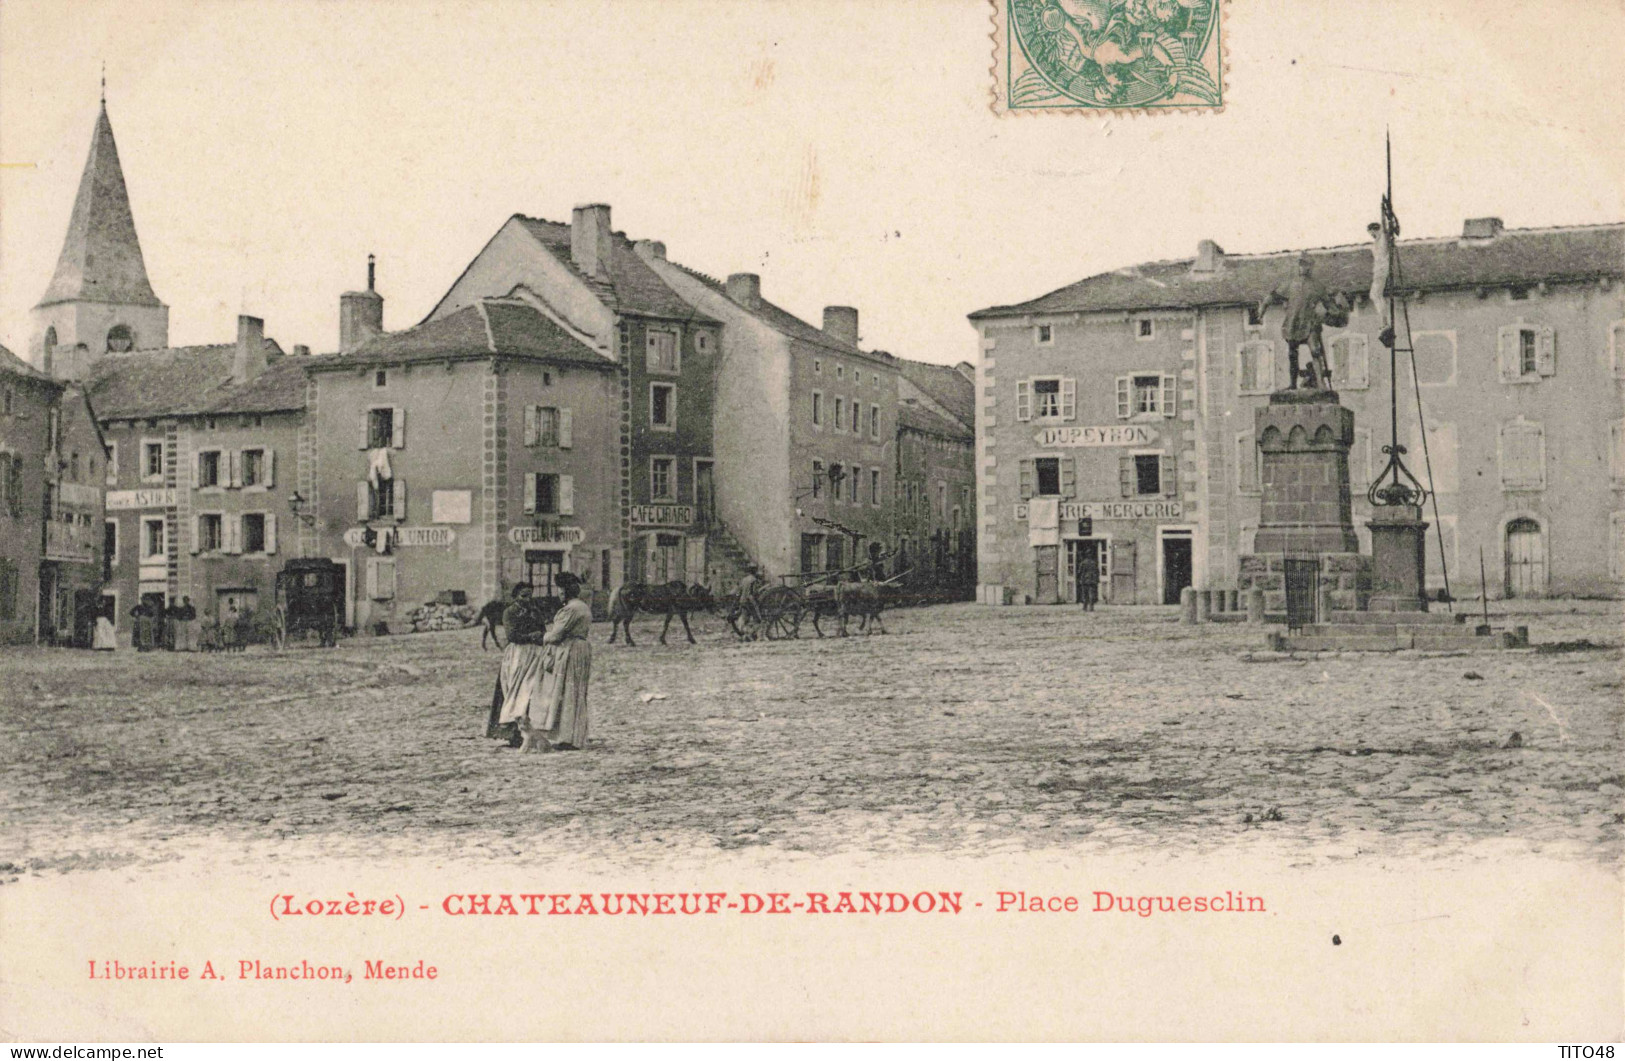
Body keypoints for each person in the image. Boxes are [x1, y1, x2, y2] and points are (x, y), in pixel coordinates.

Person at [524, 571, 593, 753]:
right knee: (576, 692)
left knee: (567, 691)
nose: (559, 594)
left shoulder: (570, 609)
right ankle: (573, 735)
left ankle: (567, 737)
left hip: (569, 650)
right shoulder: (583, 607)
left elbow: (556, 635)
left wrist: (540, 636)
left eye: (560, 590)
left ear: (564, 592)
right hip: (580, 649)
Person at [1259, 253, 1347, 390]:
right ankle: (1292, 384)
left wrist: (1338, 312)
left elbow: (1329, 305)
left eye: (1305, 264)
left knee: (1315, 351)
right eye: (1301, 264)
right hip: (1293, 323)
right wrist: (1262, 308)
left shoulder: (1318, 286)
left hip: (1310, 323)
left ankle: (1321, 384)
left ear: (1311, 267)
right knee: (1292, 354)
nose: (1302, 267)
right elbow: (1272, 296)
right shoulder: (1290, 284)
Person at [486, 583, 546, 744]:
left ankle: (531, 731)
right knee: (515, 690)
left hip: (534, 655)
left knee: (531, 690)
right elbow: (512, 635)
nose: (527, 599)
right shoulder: (510, 612)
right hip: (517, 654)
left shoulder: (535, 611)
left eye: (529, 595)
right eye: (523, 596)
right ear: (516, 596)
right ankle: (512, 733)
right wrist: (530, 636)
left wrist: (540, 636)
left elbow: (543, 629)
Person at [1076, 544, 1100, 612]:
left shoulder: (1083, 563)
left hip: (1085, 580)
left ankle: (1085, 607)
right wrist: (1097, 579)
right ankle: (1091, 607)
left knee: (1085, 594)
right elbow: (1097, 571)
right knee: (1091, 593)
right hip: (1092, 580)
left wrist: (1080, 578)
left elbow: (1079, 572)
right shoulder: (1094, 563)